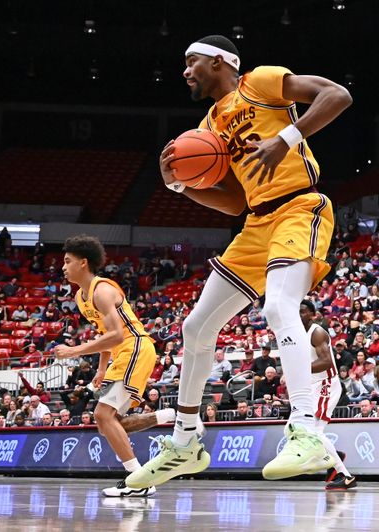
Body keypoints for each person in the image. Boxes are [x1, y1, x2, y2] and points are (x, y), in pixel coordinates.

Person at [127, 35, 351, 489]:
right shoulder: (209, 125)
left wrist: (286, 139)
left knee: (278, 307)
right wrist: (179, 186)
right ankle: (186, 441)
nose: (185, 71)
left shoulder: (261, 82)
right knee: (196, 327)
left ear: (218, 61)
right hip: (255, 223)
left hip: (299, 206)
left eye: (191, 62)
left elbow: (337, 95)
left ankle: (306, 430)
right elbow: (233, 202)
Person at [54, 235, 179, 497]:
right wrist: (101, 369)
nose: (63, 267)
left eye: (67, 262)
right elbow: (105, 335)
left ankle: (138, 480)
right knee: (110, 421)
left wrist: (74, 350)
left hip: (135, 347)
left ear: (83, 263)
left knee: (102, 415)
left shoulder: (102, 291)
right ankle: (169, 417)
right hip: (122, 354)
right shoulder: (81, 296)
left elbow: (117, 336)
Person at [299, 300, 354, 490]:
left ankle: (344, 475)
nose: (300, 314)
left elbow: (327, 362)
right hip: (313, 384)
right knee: (305, 430)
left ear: (313, 315)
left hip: (326, 384)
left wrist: (297, 369)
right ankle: (333, 456)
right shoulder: (297, 333)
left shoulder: (317, 332)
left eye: (304, 311)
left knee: (314, 431)